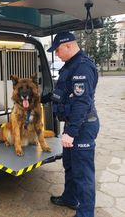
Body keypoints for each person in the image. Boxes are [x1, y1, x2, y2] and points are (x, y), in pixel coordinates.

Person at [42, 32, 100, 217]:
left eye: (58, 50)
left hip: (82, 127)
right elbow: (63, 92)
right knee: (70, 166)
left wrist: (71, 133)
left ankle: (85, 214)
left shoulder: (82, 67)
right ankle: (70, 198)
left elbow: (81, 103)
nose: (57, 54)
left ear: (68, 46)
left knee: (83, 174)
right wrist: (41, 99)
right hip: (72, 125)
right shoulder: (71, 65)